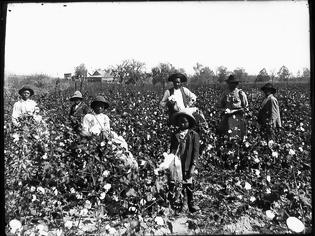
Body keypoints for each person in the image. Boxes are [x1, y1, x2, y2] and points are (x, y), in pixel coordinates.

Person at [81, 96, 137, 169]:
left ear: (104, 107)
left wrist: (105, 134)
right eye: (98, 105)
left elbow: (107, 130)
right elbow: (84, 130)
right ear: (94, 106)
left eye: (102, 106)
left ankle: (126, 162)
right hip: (92, 138)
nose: (100, 108)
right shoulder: (88, 116)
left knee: (120, 145)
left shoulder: (105, 117)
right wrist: (91, 136)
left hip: (104, 138)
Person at [169, 109, 200, 213]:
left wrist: (193, 166)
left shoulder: (193, 135)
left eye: (184, 122)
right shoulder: (175, 135)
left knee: (189, 184)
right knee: (178, 184)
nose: (182, 124)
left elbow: (196, 152)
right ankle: (182, 204)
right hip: (178, 163)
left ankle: (191, 203)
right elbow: (172, 149)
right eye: (180, 122)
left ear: (189, 123)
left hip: (188, 163)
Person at [217, 75, 248, 140]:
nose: (232, 85)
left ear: (236, 84)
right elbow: (219, 106)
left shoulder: (240, 93)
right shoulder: (225, 93)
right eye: (231, 83)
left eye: (234, 83)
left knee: (239, 136)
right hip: (227, 118)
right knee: (227, 136)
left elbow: (246, 107)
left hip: (238, 118)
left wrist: (238, 111)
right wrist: (225, 110)